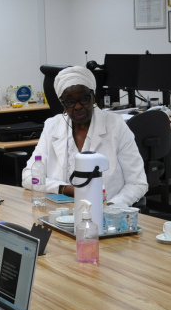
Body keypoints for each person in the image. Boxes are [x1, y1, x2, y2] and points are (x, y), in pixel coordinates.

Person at [21, 66, 147, 206]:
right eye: (70, 102)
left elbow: (137, 183)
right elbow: (28, 176)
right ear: (62, 104)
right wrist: (65, 189)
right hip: (60, 213)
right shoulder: (52, 126)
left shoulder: (116, 126)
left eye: (84, 98)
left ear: (93, 96)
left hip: (107, 214)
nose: (78, 106)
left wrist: (111, 208)